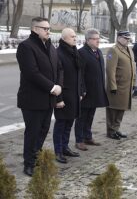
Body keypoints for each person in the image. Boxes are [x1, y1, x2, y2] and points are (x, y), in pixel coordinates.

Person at [16, 17, 62, 176]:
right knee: (33, 132)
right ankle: (28, 164)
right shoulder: (26, 47)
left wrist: (59, 86)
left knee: (43, 130)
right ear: (35, 29)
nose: (48, 31)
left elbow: (59, 68)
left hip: (49, 99)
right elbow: (31, 73)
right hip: (32, 99)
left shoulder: (50, 46)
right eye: (45, 28)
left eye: (49, 28)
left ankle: (37, 159)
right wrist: (51, 87)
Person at [53, 28, 84, 163]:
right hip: (63, 96)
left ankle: (65, 147)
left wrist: (80, 91)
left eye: (75, 36)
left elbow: (79, 74)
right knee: (60, 124)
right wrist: (58, 99)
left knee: (69, 123)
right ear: (64, 38)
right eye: (72, 37)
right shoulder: (58, 53)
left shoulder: (73, 52)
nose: (75, 39)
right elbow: (56, 78)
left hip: (74, 95)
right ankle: (58, 151)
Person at [74, 28, 108, 150]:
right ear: (88, 40)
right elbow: (80, 74)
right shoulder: (82, 53)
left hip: (96, 90)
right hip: (86, 92)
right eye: (95, 39)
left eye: (98, 38)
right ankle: (79, 140)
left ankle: (88, 137)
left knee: (90, 116)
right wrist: (82, 90)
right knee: (81, 118)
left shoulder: (98, 51)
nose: (98, 41)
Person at [106, 30, 136, 140]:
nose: (127, 40)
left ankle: (116, 129)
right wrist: (113, 86)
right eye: (125, 38)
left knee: (121, 109)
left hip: (126, 87)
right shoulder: (113, 50)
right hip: (116, 86)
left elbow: (134, 67)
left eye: (128, 39)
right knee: (113, 110)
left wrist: (134, 82)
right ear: (118, 38)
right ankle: (110, 131)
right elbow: (110, 70)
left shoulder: (129, 50)